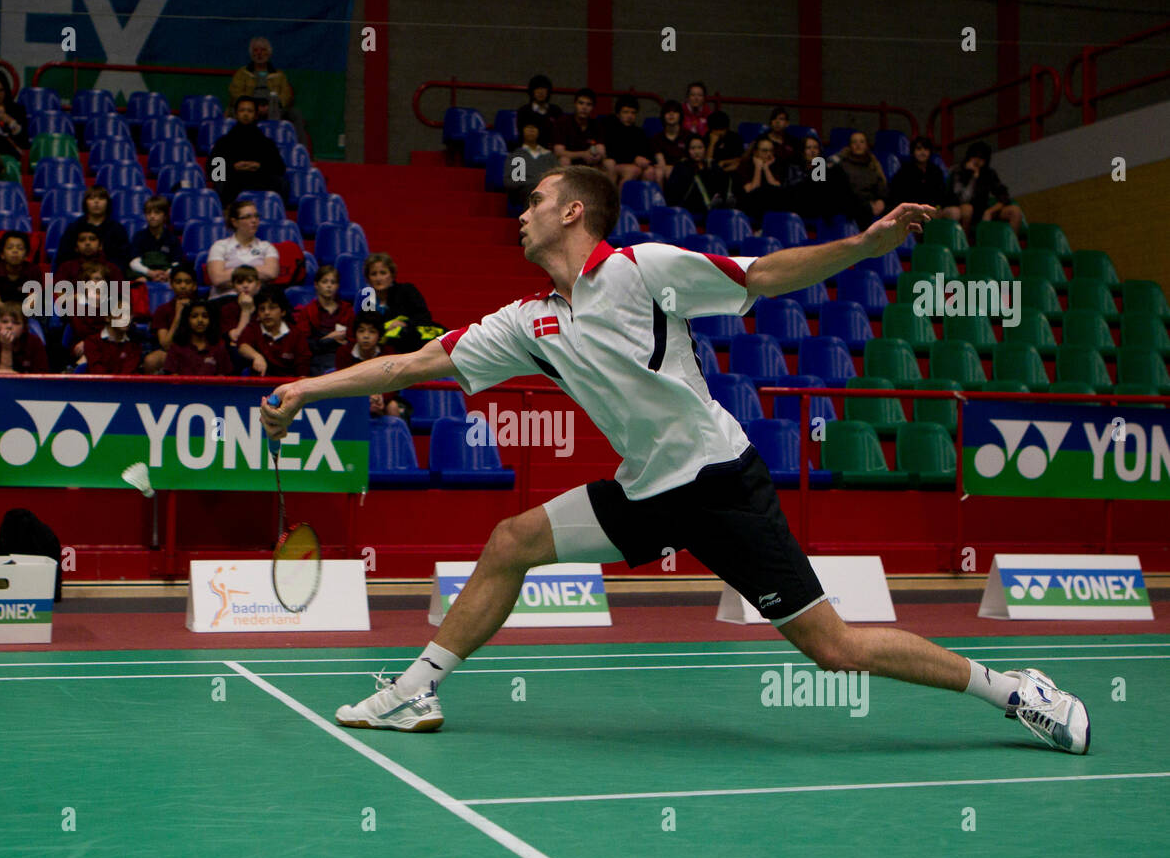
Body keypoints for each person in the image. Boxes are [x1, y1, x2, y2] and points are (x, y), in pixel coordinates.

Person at [261, 164, 1092, 757]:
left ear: (574, 213)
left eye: (536, 200)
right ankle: (417, 688)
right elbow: (413, 365)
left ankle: (1014, 689)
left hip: (721, 483)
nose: (521, 212)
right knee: (512, 540)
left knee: (832, 649)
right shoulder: (529, 322)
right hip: (647, 488)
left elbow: (761, 274)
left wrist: (863, 247)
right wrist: (309, 386)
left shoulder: (643, 272)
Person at [209, 96, 287, 207]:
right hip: (233, 179)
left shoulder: (266, 142)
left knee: (281, 182)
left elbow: (279, 168)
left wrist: (259, 166)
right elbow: (215, 172)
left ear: (255, 115)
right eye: (242, 110)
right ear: (236, 114)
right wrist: (233, 167)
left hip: (259, 179)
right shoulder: (224, 142)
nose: (245, 114)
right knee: (221, 182)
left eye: (250, 111)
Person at [227, 36, 305, 144]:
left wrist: (272, 106)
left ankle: (299, 150)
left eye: (263, 50)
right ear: (251, 54)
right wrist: (253, 106)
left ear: (268, 53)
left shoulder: (279, 75)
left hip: (274, 109)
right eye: (256, 50)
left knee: (295, 114)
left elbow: (286, 95)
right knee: (232, 113)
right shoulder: (242, 73)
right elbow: (235, 93)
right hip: (249, 109)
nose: (259, 53)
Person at [361, 252, 439, 354]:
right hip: (380, 351)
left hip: (412, 346)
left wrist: (404, 324)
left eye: (383, 273)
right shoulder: (368, 300)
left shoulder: (406, 290)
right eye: (374, 274)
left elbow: (424, 317)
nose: (378, 278)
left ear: (392, 275)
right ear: (368, 278)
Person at [941, 140, 1022, 237]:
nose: (977, 161)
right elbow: (960, 199)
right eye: (975, 157)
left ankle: (1011, 245)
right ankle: (964, 243)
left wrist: (990, 211)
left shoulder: (988, 173)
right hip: (961, 209)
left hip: (982, 210)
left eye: (981, 158)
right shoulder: (958, 172)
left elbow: (1004, 196)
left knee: (1015, 211)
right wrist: (973, 178)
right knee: (968, 209)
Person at [335, 314, 408, 418]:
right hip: (352, 397)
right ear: (355, 334)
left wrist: (381, 398)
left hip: (381, 398)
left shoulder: (388, 353)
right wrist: (365, 398)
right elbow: (341, 384)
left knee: (393, 406)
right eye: (361, 331)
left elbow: (393, 384)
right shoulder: (343, 353)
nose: (366, 336)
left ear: (379, 335)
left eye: (372, 331)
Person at [206, 199, 279, 299]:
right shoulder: (219, 246)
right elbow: (217, 279)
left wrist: (233, 275)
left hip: (257, 299)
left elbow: (271, 273)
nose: (254, 221)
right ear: (235, 222)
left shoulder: (266, 247)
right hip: (225, 299)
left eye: (256, 216)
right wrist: (254, 274)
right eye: (248, 217)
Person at [236, 286, 309, 377]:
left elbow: (303, 368)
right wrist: (256, 356)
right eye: (262, 309)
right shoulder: (253, 328)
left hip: (288, 386)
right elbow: (243, 346)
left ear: (283, 311)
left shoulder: (296, 334)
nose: (266, 313)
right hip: (258, 385)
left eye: (272, 308)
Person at [295, 264, 353, 375]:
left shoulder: (347, 310)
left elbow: (353, 338)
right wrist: (329, 338)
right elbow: (304, 344)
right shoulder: (307, 311)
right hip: (317, 360)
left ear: (338, 286)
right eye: (325, 282)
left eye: (333, 282)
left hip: (343, 357)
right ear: (316, 285)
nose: (329, 286)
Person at [142, 263, 199, 373]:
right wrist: (178, 315)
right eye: (178, 282)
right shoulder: (162, 310)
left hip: (198, 352)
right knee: (151, 360)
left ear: (194, 285)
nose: (183, 286)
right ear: (171, 285)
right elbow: (166, 345)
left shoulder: (204, 308)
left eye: (187, 282)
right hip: (172, 352)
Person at [784, 134, 852, 224]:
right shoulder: (794, 166)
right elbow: (793, 189)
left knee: (835, 172)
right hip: (801, 202)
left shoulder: (825, 169)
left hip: (822, 204)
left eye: (815, 148)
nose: (812, 151)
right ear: (802, 151)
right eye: (808, 148)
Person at [829, 131, 889, 231]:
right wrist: (868, 205)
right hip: (852, 203)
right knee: (861, 209)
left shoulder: (873, 164)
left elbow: (881, 185)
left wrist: (881, 201)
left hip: (872, 202)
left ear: (866, 145)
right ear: (850, 146)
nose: (858, 145)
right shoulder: (842, 164)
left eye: (861, 142)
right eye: (854, 142)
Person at [598, 95, 656, 189]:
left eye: (633, 113)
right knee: (633, 170)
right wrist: (634, 159)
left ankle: (644, 202)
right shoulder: (611, 130)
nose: (629, 116)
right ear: (618, 114)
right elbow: (611, 153)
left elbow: (648, 153)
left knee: (650, 171)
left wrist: (645, 161)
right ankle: (619, 201)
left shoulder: (639, 132)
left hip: (634, 165)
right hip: (614, 164)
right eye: (626, 112)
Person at [163, 299, 233, 376]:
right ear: (187, 320)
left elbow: (222, 378)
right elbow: (173, 378)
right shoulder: (176, 347)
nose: (200, 320)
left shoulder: (219, 346)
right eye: (194, 316)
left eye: (205, 316)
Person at [0, 301, 49, 375]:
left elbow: (41, 378)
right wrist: (6, 348)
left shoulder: (35, 343)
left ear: (24, 327)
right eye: (4, 322)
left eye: (16, 323)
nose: (9, 326)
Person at [127, 195, 183, 283]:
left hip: (166, 275)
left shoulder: (172, 238)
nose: (152, 216)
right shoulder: (139, 236)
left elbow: (176, 263)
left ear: (164, 215)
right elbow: (134, 262)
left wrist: (166, 274)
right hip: (144, 273)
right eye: (149, 213)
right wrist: (150, 273)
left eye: (157, 212)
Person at [735, 136, 785, 230]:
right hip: (749, 204)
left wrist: (766, 168)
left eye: (771, 151)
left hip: (771, 205)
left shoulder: (776, 165)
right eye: (764, 151)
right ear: (755, 152)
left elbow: (777, 190)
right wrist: (758, 168)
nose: (769, 154)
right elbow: (752, 190)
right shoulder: (744, 166)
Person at [0, 230, 40, 315]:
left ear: (26, 256)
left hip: (27, 311)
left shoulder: (34, 270)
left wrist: (17, 311)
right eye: (10, 247)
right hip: (1, 309)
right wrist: (11, 310)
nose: (15, 251)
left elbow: (32, 302)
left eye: (20, 248)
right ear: (2, 254)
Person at [505, 119, 558, 206]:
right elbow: (512, 183)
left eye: (534, 128)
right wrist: (536, 183)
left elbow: (557, 176)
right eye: (528, 128)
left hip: (548, 191)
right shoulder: (517, 155)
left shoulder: (548, 155)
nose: (531, 130)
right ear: (522, 131)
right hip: (526, 193)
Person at [83, 299, 142, 374]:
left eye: (129, 314)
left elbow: (128, 376)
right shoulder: (93, 342)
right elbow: (98, 374)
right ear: (107, 317)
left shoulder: (134, 344)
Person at [664, 134, 717, 217]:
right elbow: (673, 193)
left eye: (700, 148)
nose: (697, 152)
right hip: (686, 207)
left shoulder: (711, 166)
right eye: (693, 148)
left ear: (705, 149)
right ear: (687, 150)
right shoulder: (681, 166)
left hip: (709, 208)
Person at [887, 136, 946, 210]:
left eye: (926, 149)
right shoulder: (904, 172)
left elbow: (941, 195)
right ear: (913, 151)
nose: (923, 152)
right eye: (919, 149)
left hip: (932, 209)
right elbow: (897, 196)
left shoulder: (936, 171)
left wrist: (937, 208)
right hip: (911, 210)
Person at [552, 88, 603, 168]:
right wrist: (582, 154)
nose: (584, 107)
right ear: (575, 104)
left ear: (593, 107)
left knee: (607, 163)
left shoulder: (596, 124)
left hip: (589, 163)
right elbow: (558, 152)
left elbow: (601, 149)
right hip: (571, 161)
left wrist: (597, 156)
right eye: (581, 103)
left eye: (588, 104)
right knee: (564, 160)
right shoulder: (563, 122)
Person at [515, 74, 563, 151]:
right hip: (529, 150)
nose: (541, 92)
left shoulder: (556, 111)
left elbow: (560, 135)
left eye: (543, 88)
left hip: (551, 151)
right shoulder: (523, 111)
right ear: (532, 91)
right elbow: (523, 136)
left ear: (548, 91)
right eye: (537, 88)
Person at [649, 100, 688, 186]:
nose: (671, 114)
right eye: (668, 112)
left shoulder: (689, 137)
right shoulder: (656, 139)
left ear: (680, 116)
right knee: (657, 172)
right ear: (663, 116)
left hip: (685, 171)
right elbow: (661, 162)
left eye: (674, 112)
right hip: (665, 170)